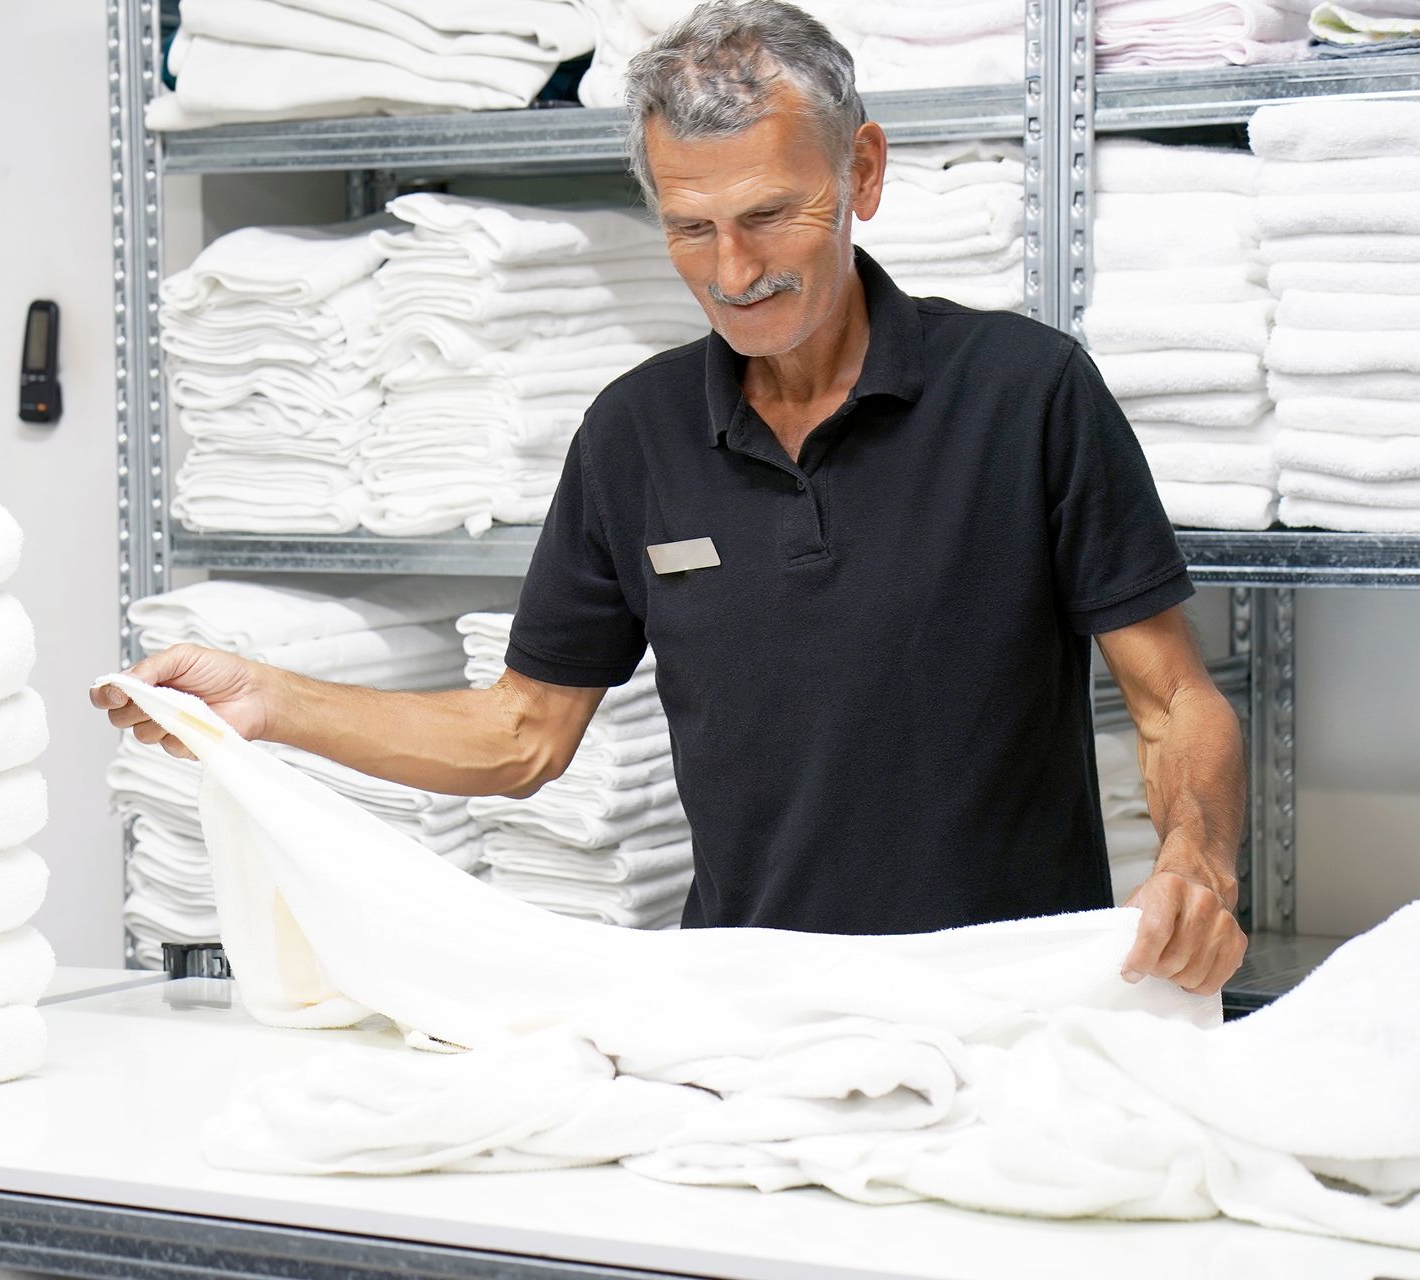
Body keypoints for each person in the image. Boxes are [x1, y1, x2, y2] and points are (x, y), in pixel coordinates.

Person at [92, 0, 1249, 996]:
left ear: (864, 174)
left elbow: (1172, 701)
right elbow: (521, 734)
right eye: (691, 230)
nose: (735, 272)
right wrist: (268, 699)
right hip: (744, 1010)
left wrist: (1197, 859)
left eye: (767, 216)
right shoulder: (633, 436)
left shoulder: (1026, 390)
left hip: (1007, 999)